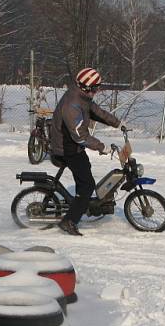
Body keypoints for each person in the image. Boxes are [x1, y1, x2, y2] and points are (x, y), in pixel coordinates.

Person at [50, 67, 123, 236]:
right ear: (87, 88)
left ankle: (82, 203)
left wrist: (118, 123)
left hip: (73, 146)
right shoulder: (72, 105)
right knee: (87, 185)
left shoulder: (82, 97)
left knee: (86, 172)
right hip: (66, 149)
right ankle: (69, 221)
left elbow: (96, 112)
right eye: (96, 87)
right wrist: (100, 146)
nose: (97, 90)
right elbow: (79, 136)